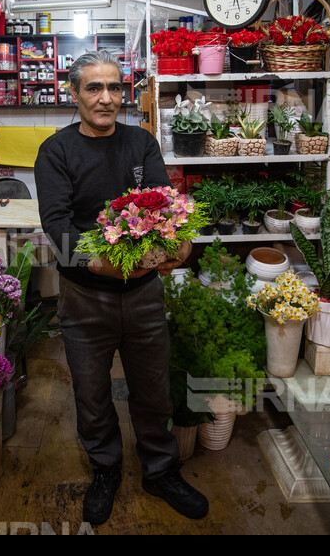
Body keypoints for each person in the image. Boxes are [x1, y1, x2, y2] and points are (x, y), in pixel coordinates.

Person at [34, 49, 208, 526]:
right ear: (74, 93)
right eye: (94, 87)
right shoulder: (56, 151)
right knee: (92, 394)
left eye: (114, 87)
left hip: (144, 293)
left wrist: (181, 240)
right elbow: (56, 224)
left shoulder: (141, 143)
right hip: (84, 296)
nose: (106, 98)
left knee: (153, 390)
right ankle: (105, 469)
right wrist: (97, 264)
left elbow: (165, 205)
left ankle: (160, 470)